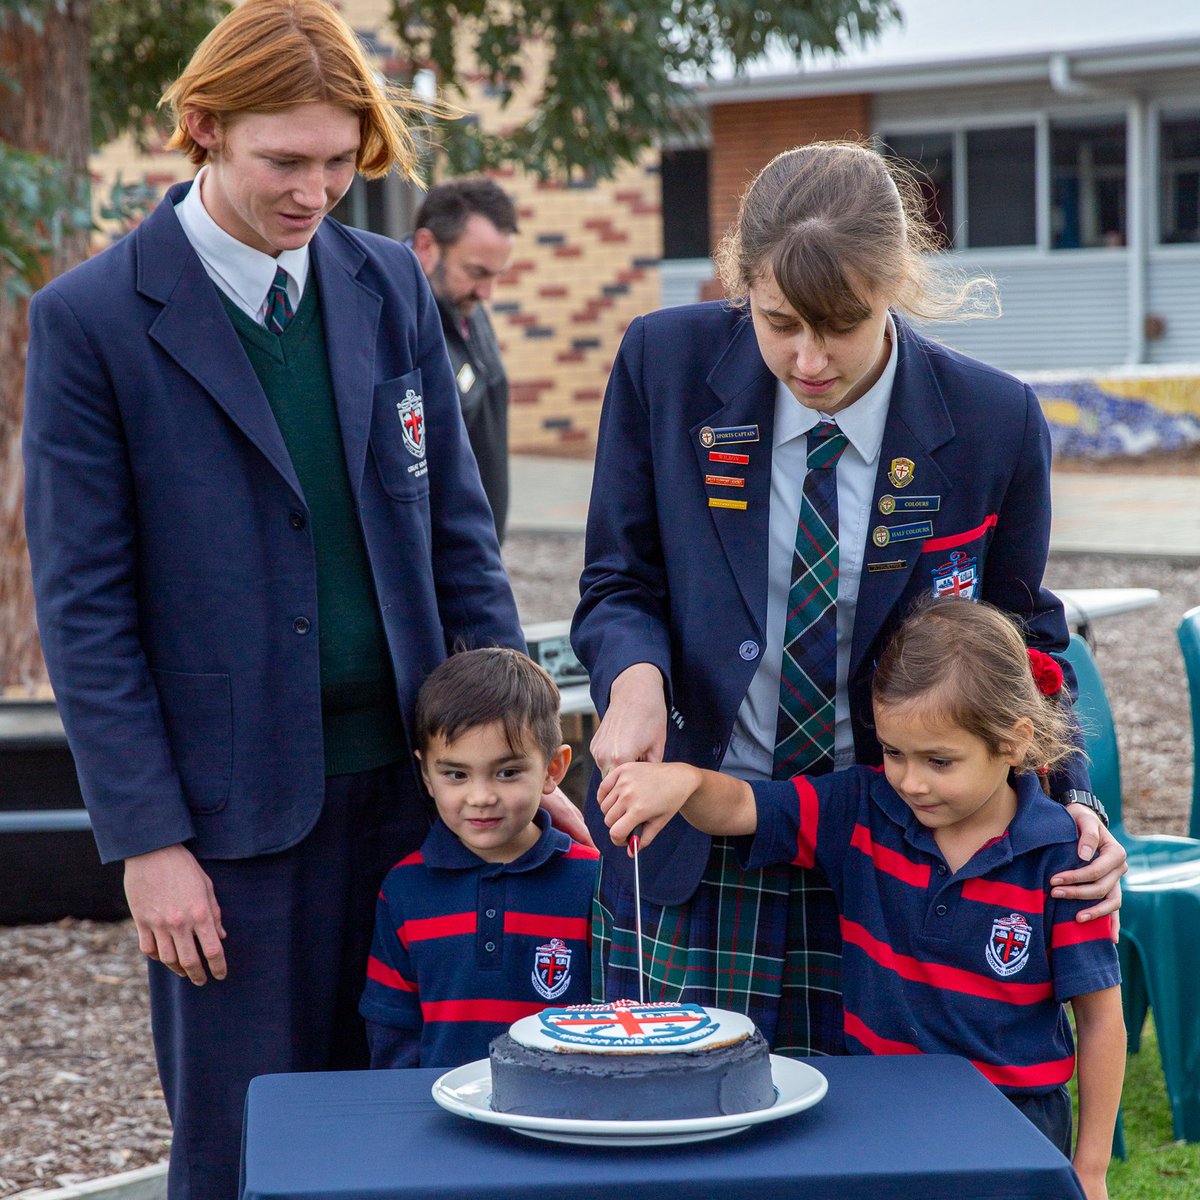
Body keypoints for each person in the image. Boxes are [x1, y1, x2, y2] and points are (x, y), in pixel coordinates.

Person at [21, 4, 584, 1198]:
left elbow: (456, 539)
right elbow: (85, 610)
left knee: (423, 1125)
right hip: (229, 828)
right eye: (285, 161)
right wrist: (148, 842)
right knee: (245, 1150)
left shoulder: (386, 283)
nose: (315, 191)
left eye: (339, 162)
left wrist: (527, 756)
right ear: (203, 128)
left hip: (420, 790)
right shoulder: (91, 321)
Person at [571, 140, 1127, 1057]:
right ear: (740, 283)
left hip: (892, 849)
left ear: (897, 287)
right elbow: (620, 578)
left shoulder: (992, 421)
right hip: (693, 834)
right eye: (780, 320)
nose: (811, 358)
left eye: (843, 322)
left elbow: (1024, 639)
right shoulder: (662, 366)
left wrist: (1077, 808)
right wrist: (633, 679)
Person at [600, 599, 1125, 1200]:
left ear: (1013, 741)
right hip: (879, 1113)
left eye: (939, 761)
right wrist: (685, 780)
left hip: (1014, 1126)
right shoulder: (862, 809)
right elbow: (744, 807)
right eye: (895, 753)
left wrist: (1090, 1168)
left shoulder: (1064, 859)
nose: (911, 781)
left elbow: (1100, 1019)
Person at [360, 647, 599, 1067]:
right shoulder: (403, 890)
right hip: (438, 1119)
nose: (482, 796)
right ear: (426, 776)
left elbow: (621, 1016)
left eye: (507, 772)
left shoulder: (593, 882)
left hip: (566, 1117)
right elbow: (392, 1028)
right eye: (456, 774)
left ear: (553, 770)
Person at [411, 179, 518, 542]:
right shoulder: (394, 323)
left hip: (476, 549)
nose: (486, 293)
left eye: (496, 275)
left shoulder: (464, 306)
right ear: (427, 247)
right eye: (476, 273)